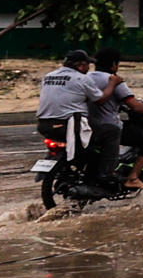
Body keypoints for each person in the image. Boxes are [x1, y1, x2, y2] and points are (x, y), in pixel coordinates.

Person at [36, 50, 109, 196]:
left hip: (44, 125)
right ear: (80, 65)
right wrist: (112, 84)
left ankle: (71, 170)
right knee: (104, 140)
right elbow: (100, 100)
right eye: (88, 65)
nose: (89, 68)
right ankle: (97, 178)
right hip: (67, 125)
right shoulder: (81, 79)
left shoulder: (48, 76)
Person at [89, 48, 143, 191]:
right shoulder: (114, 80)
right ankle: (133, 178)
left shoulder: (86, 78)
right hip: (108, 127)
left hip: (86, 127)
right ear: (114, 65)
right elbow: (135, 107)